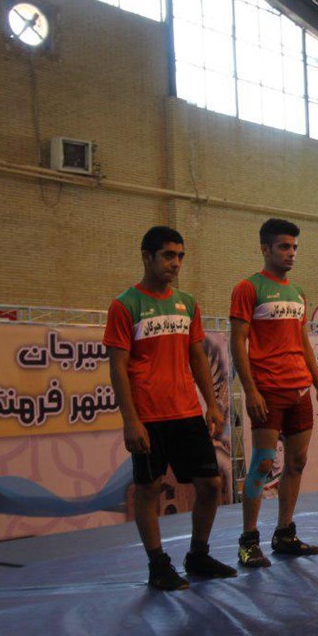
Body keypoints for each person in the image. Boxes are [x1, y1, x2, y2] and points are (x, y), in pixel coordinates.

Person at [103, 227, 235, 591]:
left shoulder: (187, 303)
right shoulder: (125, 305)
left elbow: (197, 356)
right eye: (168, 255)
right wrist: (131, 420)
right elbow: (118, 367)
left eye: (180, 256)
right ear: (147, 257)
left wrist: (212, 404)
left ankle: (198, 555)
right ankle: (158, 565)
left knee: (210, 484)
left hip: (187, 412)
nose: (175, 263)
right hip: (148, 416)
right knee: (149, 489)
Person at [230, 218, 318, 564]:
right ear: (265, 248)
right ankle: (248, 540)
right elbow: (237, 343)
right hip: (268, 391)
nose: (291, 253)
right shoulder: (248, 288)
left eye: (295, 248)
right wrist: (250, 391)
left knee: (297, 463)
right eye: (284, 247)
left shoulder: (298, 292)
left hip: (299, 390)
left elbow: (303, 343)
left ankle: (285, 532)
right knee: (262, 464)